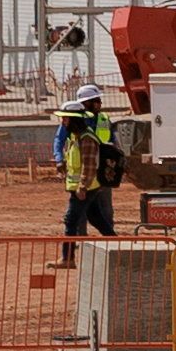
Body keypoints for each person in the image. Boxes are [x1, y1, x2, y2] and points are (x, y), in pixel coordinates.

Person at [57, 84, 123, 241]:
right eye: (96, 100)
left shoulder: (91, 132)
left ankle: (68, 257)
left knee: (75, 218)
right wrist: (60, 159)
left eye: (65, 118)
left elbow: (90, 163)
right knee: (94, 217)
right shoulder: (76, 131)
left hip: (93, 179)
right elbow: (59, 141)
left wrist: (83, 185)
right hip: (87, 181)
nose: (99, 103)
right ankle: (112, 242)